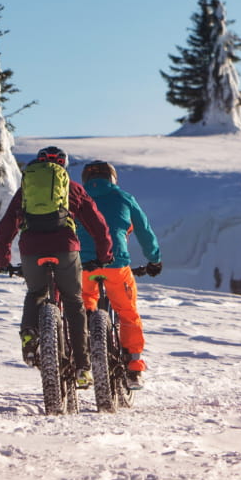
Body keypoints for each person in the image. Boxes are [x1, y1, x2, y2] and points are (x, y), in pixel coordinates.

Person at [0, 146, 114, 387]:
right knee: (73, 301)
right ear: (63, 166)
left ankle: (29, 333)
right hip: (65, 248)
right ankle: (82, 366)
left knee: (36, 293)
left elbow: (7, 225)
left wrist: (3, 260)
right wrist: (105, 254)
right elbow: (98, 224)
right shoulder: (73, 188)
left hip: (32, 249)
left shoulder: (25, 190)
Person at [76, 160, 162, 388]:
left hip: (84, 266)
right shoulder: (124, 198)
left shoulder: (76, 197)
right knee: (127, 311)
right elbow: (143, 230)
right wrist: (154, 260)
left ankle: (81, 363)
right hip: (116, 265)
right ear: (112, 178)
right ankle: (134, 368)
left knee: (82, 309)